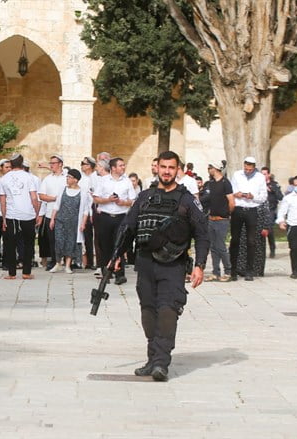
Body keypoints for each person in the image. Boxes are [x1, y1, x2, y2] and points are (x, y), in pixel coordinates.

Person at [115, 150, 208, 381]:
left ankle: (161, 363)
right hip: (145, 262)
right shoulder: (144, 196)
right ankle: (152, 358)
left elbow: (202, 234)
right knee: (148, 311)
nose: (167, 171)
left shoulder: (187, 200)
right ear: (156, 168)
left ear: (178, 170)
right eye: (163, 167)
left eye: (171, 167)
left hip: (173, 265)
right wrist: (117, 254)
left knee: (167, 310)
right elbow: (129, 226)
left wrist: (200, 265)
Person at [92, 157, 137, 285]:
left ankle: (120, 274)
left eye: (124, 165)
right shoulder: (103, 181)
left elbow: (133, 200)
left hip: (121, 217)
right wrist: (108, 200)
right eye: (120, 165)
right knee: (105, 244)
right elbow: (96, 199)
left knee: (119, 244)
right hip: (105, 216)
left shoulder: (127, 181)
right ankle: (106, 272)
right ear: (113, 168)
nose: (123, 167)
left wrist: (122, 202)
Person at [0, 153, 39, 280]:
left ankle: (12, 273)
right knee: (28, 243)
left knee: (11, 244)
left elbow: (2, 200)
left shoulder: (4, 178)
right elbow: (34, 197)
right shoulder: (29, 177)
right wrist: (37, 213)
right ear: (22, 163)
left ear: (11, 164)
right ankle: (26, 272)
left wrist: (4, 218)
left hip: (12, 215)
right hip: (28, 214)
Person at [229, 156, 267, 281]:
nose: (248, 171)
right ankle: (233, 270)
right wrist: (237, 194)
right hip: (239, 209)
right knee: (235, 240)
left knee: (251, 241)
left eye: (250, 169)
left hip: (252, 209)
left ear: (254, 168)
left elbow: (263, 197)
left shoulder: (260, 177)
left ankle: (249, 270)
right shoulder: (237, 175)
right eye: (246, 168)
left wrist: (252, 196)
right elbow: (231, 189)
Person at [49, 168, 90, 273]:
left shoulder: (83, 192)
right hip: (61, 219)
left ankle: (68, 265)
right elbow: (57, 205)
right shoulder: (62, 189)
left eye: (70, 177)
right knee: (59, 241)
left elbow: (85, 210)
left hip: (74, 222)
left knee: (71, 242)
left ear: (76, 179)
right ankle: (58, 263)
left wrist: (83, 224)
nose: (67, 179)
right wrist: (52, 219)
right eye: (67, 177)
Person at [200, 160, 234, 282]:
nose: (208, 170)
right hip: (211, 219)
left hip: (222, 220)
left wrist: (226, 214)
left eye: (210, 167)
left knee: (221, 246)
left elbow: (231, 201)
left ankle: (228, 271)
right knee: (213, 247)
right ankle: (215, 272)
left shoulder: (225, 183)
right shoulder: (211, 183)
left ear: (215, 168)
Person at [38, 154, 66, 271]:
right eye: (50, 163)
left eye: (53, 163)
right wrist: (54, 198)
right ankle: (54, 260)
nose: (51, 166)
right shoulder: (47, 179)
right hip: (50, 212)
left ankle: (67, 260)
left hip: (65, 213)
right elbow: (41, 195)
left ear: (60, 164)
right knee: (52, 239)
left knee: (65, 238)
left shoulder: (66, 177)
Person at [261, 166, 283, 258]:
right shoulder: (258, 184)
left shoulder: (274, 184)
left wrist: (272, 190)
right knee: (259, 231)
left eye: (265, 174)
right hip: (260, 209)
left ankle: (272, 249)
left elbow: (280, 197)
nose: (263, 176)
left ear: (269, 175)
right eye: (262, 174)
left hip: (270, 210)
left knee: (269, 230)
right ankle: (260, 251)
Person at [79, 157, 97, 269]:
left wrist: (91, 213)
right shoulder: (81, 178)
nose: (82, 165)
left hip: (93, 210)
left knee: (95, 238)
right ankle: (86, 261)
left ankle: (94, 261)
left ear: (89, 165)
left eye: (83, 163)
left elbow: (92, 197)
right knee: (85, 237)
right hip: (82, 211)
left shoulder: (95, 177)